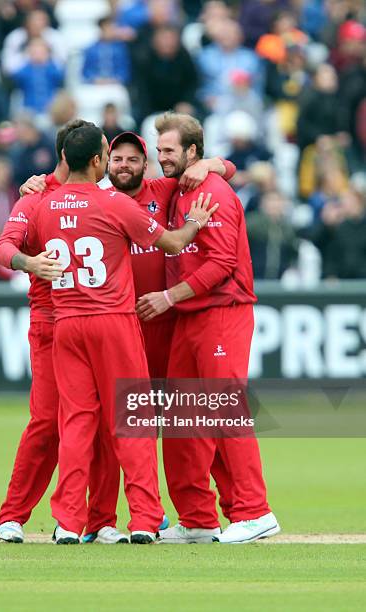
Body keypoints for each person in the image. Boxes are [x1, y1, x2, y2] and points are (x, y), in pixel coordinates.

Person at [8, 128, 234, 542]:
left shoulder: (41, 201)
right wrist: (195, 223)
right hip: (114, 319)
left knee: (75, 423)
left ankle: (68, 524)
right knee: (134, 419)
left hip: (66, 322)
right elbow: (170, 243)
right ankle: (146, 520)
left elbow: (7, 247)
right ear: (99, 160)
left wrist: (28, 260)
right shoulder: (113, 202)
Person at [136, 112, 280, 544]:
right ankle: (198, 517)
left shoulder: (210, 189)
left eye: (168, 151)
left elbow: (221, 264)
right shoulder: (181, 187)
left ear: (192, 152)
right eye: (158, 150)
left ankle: (256, 511)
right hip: (191, 316)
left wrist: (168, 297)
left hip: (221, 312)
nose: (161, 158)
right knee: (183, 417)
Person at [0, 119, 128, 544]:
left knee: (109, 423)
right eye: (105, 151)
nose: (108, 158)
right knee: (48, 420)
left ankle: (101, 520)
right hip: (53, 323)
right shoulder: (36, 196)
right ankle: (13, 514)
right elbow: (3, 248)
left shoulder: (104, 195)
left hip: (97, 318)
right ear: (85, 154)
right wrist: (29, 264)